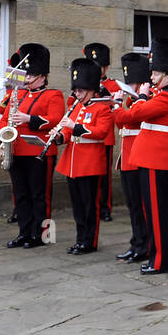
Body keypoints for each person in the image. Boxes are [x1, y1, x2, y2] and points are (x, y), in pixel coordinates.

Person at [113, 37, 168, 274]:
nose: (151, 79)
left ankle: (162, 261)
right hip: (149, 158)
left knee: (157, 214)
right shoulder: (161, 93)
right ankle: (156, 257)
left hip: (157, 160)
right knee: (151, 213)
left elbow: (135, 114)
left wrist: (137, 99)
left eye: (155, 75)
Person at [0, 43, 65, 249]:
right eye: (26, 75)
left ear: (42, 76)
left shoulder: (53, 95)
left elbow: (55, 119)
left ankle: (44, 234)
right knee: (21, 195)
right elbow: (4, 119)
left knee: (40, 195)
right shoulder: (17, 94)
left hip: (40, 152)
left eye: (31, 75)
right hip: (17, 150)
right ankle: (24, 232)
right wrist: (4, 138)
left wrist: (29, 118)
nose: (26, 78)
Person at [53, 58, 115, 255]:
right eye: (76, 90)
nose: (76, 94)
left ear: (90, 89)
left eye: (79, 91)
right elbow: (69, 133)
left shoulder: (102, 107)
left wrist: (74, 127)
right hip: (73, 162)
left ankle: (90, 241)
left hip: (90, 162)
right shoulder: (77, 107)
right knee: (78, 207)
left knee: (90, 206)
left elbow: (100, 132)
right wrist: (59, 136)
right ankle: (80, 239)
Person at [113, 52, 151, 263]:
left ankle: (144, 244)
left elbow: (130, 117)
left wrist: (119, 107)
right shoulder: (131, 98)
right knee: (132, 205)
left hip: (138, 155)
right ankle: (136, 242)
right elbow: (120, 123)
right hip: (126, 156)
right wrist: (119, 105)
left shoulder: (146, 98)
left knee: (141, 205)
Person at [83, 42, 118, 222]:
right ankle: (91, 206)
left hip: (105, 135)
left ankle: (105, 207)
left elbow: (117, 108)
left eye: (101, 67)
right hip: (86, 135)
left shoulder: (113, 85)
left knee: (104, 175)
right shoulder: (82, 84)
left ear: (106, 67)